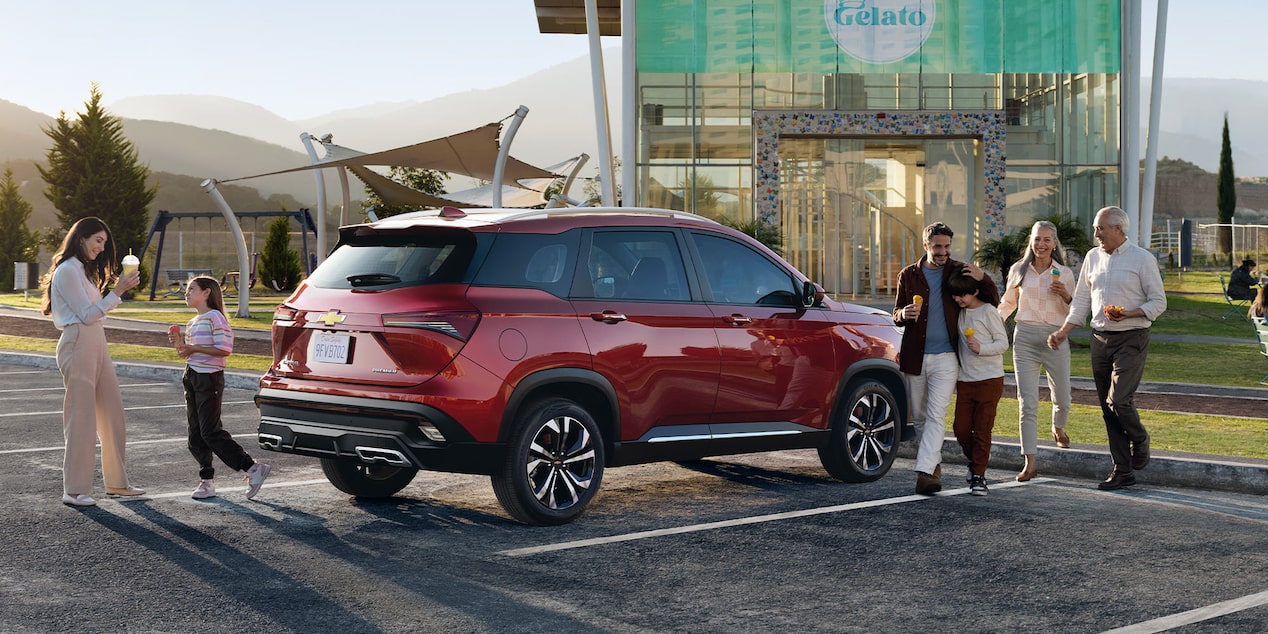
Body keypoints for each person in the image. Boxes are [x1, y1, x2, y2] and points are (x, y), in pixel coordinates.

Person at [1048, 206, 1166, 491]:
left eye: (1100, 228)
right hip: (1100, 339)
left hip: (1132, 337)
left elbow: (1158, 302)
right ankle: (1122, 471)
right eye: (1095, 228)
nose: (1096, 234)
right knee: (1107, 408)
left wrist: (1130, 313)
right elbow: (1081, 300)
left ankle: (1140, 439)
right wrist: (1064, 332)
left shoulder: (1142, 259)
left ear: (1118, 229)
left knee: (1119, 400)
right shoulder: (1092, 257)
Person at [40, 217, 143, 506]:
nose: (101, 247)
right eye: (98, 240)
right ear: (81, 238)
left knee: (113, 413)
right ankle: (74, 490)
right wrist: (118, 291)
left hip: (96, 340)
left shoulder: (83, 272)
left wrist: (116, 292)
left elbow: (94, 314)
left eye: (104, 243)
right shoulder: (67, 270)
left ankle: (117, 483)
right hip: (78, 341)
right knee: (81, 418)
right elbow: (86, 315)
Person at [893, 222, 999, 495]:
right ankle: (933, 464)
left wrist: (984, 277)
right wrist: (903, 314)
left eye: (947, 246)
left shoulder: (959, 271)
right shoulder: (908, 275)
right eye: (937, 246)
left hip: (947, 356)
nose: (943, 251)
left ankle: (925, 472)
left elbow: (991, 299)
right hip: (916, 356)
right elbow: (896, 313)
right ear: (926, 245)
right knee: (920, 418)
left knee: (936, 414)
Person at [168, 276, 271, 500]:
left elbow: (224, 349)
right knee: (195, 433)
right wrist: (179, 343)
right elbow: (185, 353)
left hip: (209, 379)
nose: (186, 292)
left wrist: (193, 348)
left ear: (206, 293)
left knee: (210, 432)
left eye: (191, 289)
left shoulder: (215, 317)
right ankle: (206, 481)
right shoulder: (193, 322)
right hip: (191, 376)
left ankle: (253, 468)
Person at [997, 221, 1076, 482]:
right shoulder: (1018, 270)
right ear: (1031, 241)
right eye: (1037, 239)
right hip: (1025, 338)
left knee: (1062, 396)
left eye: (1046, 240)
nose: (1041, 244)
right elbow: (1008, 303)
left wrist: (1065, 295)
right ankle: (1030, 462)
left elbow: (1076, 310)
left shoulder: (1064, 273)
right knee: (1027, 402)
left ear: (1054, 243)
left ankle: (1058, 426)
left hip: (1056, 337)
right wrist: (995, 322)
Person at [948, 266, 1008, 496]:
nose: (957, 299)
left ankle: (978, 476)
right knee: (960, 429)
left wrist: (981, 348)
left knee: (983, 430)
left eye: (962, 295)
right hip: (965, 380)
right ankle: (976, 462)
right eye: (955, 295)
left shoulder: (988, 311)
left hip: (989, 380)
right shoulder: (960, 312)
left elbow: (1003, 344)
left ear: (974, 291)